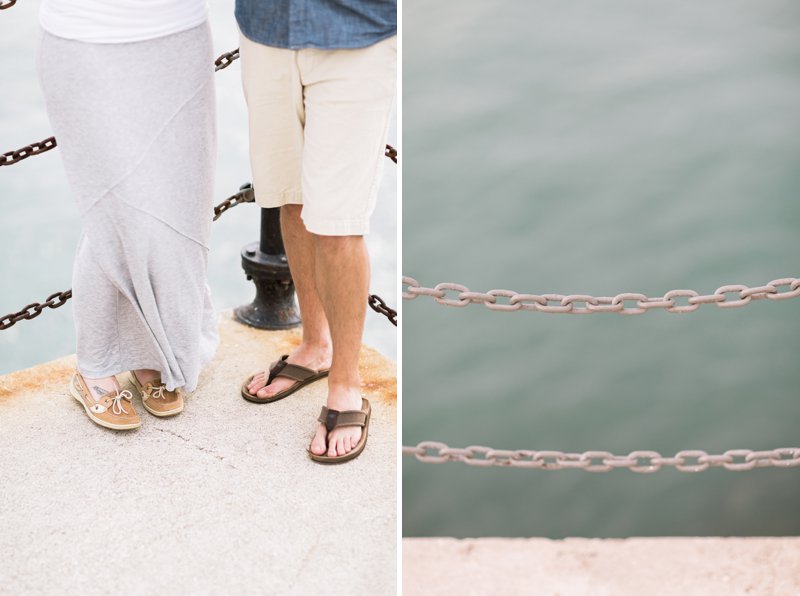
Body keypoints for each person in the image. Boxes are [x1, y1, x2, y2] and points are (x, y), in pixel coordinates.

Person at [37, 0, 218, 430]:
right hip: (85, 37)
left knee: (180, 208)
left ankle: (152, 354)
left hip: (180, 36)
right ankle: (94, 367)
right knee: (115, 212)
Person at [236, 0, 397, 463]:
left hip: (357, 35)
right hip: (264, 30)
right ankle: (314, 346)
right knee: (290, 197)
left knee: (339, 223)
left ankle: (346, 383)